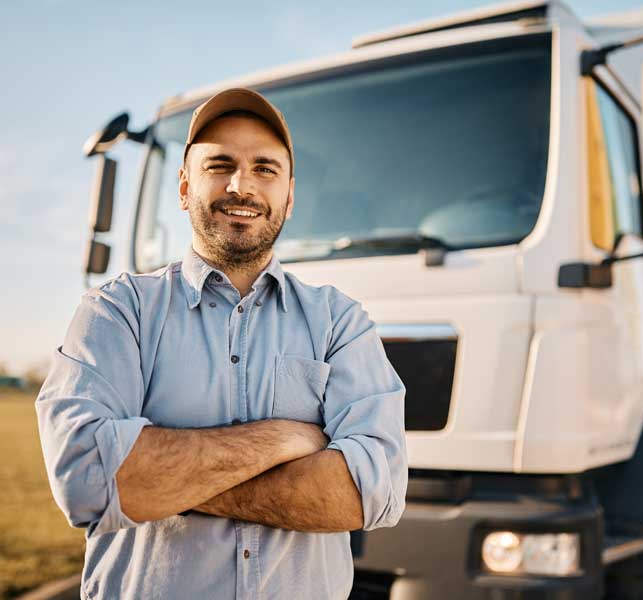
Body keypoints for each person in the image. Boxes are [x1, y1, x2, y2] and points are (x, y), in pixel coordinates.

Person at [36, 87, 408, 599]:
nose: (241, 185)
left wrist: (167, 481)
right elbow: (87, 480)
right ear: (184, 187)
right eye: (220, 165)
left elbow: (370, 492)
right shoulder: (117, 311)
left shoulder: (340, 323)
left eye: (264, 168)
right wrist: (283, 439)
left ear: (289, 197)